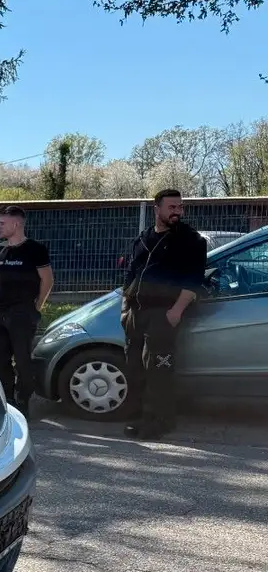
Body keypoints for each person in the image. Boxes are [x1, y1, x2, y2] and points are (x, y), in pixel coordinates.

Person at [120, 188, 207, 440]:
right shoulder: (143, 238)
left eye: (180, 207)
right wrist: (124, 308)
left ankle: (159, 421)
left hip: (163, 313)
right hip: (136, 313)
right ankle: (137, 416)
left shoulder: (190, 240)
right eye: (172, 207)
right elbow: (130, 275)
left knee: (158, 370)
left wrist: (176, 311)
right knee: (134, 367)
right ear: (156, 209)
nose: (177, 212)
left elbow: (193, 280)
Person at [0, 206, 53, 416]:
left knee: (23, 359)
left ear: (16, 224)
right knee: (0, 359)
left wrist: (37, 306)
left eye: (2, 223)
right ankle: (7, 401)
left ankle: (23, 399)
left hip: (22, 312)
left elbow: (47, 280)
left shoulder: (35, 249)